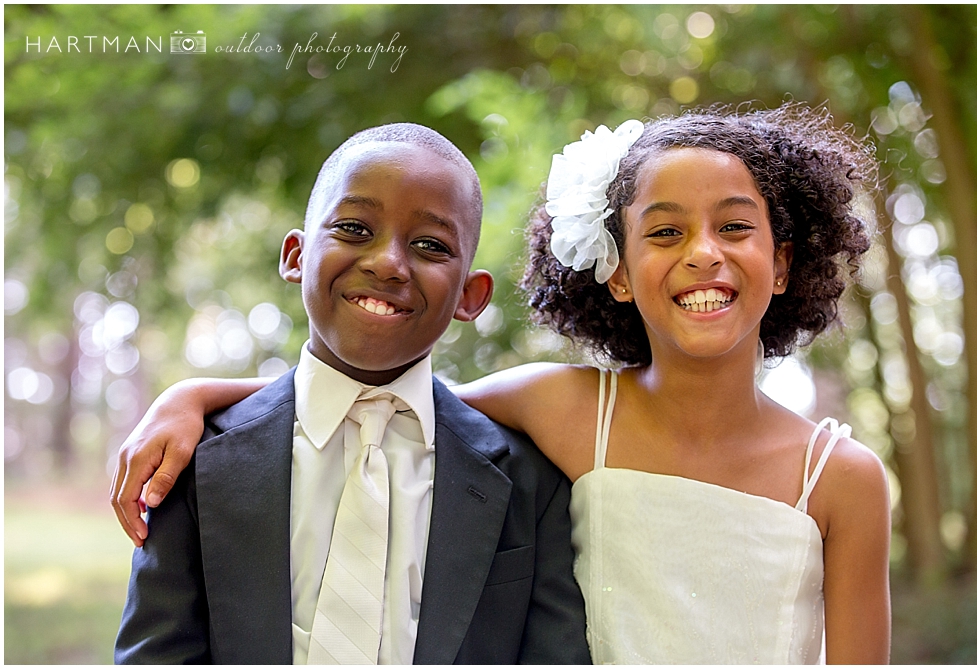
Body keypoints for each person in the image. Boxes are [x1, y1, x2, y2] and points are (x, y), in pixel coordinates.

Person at [113, 105, 892, 664]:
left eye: (734, 227)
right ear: (615, 272)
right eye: (664, 231)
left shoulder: (842, 477)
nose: (702, 254)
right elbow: (370, 392)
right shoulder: (564, 405)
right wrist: (201, 397)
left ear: (784, 261)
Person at [113, 123, 590, 664]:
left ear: (470, 295)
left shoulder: (533, 480)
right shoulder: (195, 460)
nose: (388, 262)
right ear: (296, 255)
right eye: (354, 228)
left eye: (430, 245)